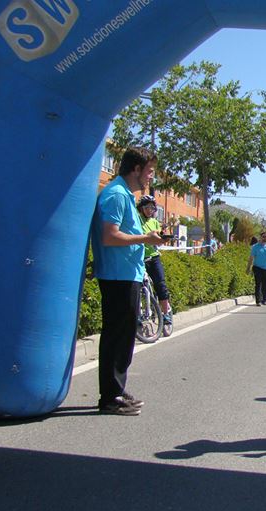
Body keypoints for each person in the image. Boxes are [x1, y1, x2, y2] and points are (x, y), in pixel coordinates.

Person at [90, 147, 164, 416]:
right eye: (149, 171)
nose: (150, 178)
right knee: (116, 337)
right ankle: (110, 398)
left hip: (126, 274)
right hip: (117, 275)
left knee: (123, 338)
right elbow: (109, 237)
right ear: (136, 169)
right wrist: (146, 239)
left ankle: (117, 391)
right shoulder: (116, 195)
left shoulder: (124, 195)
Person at [136, 195, 173, 329]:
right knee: (136, 287)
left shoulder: (154, 222)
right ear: (141, 208)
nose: (150, 210)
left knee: (160, 285)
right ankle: (138, 315)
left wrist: (163, 236)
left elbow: (158, 236)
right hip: (139, 257)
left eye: (152, 208)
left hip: (153, 257)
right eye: (147, 207)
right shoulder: (137, 219)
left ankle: (165, 313)